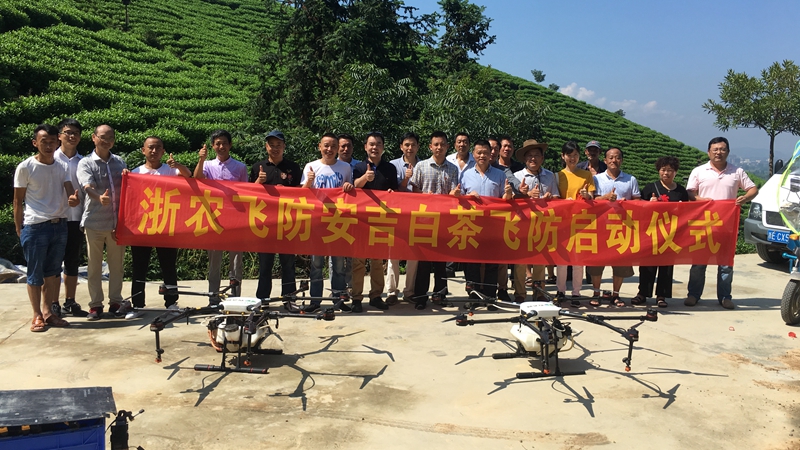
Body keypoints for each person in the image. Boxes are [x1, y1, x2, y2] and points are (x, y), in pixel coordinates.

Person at [14, 124, 80, 332]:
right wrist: (19, 228)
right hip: (36, 227)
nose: (49, 145)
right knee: (35, 274)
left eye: (52, 142)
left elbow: (69, 190)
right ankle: (36, 315)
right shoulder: (26, 167)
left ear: (57, 142)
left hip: (59, 225)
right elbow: (17, 201)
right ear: (35, 143)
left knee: (52, 273)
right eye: (44, 142)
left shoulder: (61, 167)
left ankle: (48, 312)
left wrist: (73, 199)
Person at [684, 137, 758, 309]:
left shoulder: (737, 171)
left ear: (728, 152)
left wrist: (745, 198)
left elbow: (753, 189)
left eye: (722, 149)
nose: (719, 153)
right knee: (698, 263)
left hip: (727, 225)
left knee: (725, 264)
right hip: (703, 225)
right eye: (715, 149)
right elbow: (690, 193)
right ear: (708, 152)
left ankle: (725, 297)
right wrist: (702, 200)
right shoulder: (699, 171)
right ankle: (693, 295)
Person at [124, 137, 191, 319]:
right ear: (143, 150)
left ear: (163, 151)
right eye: (150, 148)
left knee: (168, 266)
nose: (154, 151)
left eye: (158, 148)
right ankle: (138, 304)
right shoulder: (135, 172)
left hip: (166, 226)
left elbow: (188, 176)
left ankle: (171, 302)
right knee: (139, 267)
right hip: (142, 227)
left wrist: (177, 164)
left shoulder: (170, 170)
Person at [76, 125, 127, 321]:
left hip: (116, 224)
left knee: (117, 266)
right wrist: (98, 197)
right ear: (94, 138)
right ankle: (95, 305)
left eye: (111, 137)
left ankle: (116, 302)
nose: (107, 141)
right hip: (94, 223)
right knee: (94, 266)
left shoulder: (119, 162)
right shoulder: (86, 163)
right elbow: (87, 186)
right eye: (103, 137)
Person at [301, 133, 354, 312]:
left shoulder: (345, 167)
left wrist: (348, 187)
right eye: (326, 145)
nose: (329, 149)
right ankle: (315, 301)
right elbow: (301, 194)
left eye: (333, 146)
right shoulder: (311, 166)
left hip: (338, 222)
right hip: (317, 222)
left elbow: (350, 192)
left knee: (338, 265)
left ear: (338, 148)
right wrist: (308, 182)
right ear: (319, 146)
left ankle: (338, 299)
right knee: (316, 264)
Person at [409, 131, 461, 310]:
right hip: (425, 220)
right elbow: (414, 190)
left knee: (441, 263)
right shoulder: (421, 166)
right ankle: (421, 297)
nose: (439, 147)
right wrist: (425, 196)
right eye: (436, 144)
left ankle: (440, 295)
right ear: (430, 147)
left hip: (445, 221)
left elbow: (453, 193)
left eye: (442, 144)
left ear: (447, 147)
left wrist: (454, 194)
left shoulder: (453, 169)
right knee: (423, 262)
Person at [195, 129, 249, 298]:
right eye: (217, 143)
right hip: (214, 219)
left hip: (235, 220)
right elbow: (197, 178)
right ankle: (213, 297)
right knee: (214, 262)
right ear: (213, 146)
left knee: (236, 263)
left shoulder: (240, 167)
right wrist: (201, 159)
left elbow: (247, 192)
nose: (221, 146)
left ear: (230, 145)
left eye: (224, 143)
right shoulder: (208, 165)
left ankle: (235, 297)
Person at [251, 130, 302, 305]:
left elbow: (301, 193)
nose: (275, 148)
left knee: (288, 263)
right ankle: (263, 299)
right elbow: (248, 194)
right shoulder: (258, 167)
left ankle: (289, 299)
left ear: (284, 147)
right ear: (266, 147)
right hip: (265, 223)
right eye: (271, 145)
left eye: (278, 145)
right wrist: (258, 182)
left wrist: (286, 191)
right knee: (265, 264)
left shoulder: (293, 168)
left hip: (287, 222)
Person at [632, 156, 688, 308]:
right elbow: (638, 206)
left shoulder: (681, 191)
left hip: (671, 234)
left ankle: (661, 296)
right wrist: (649, 204)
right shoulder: (650, 188)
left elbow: (687, 212)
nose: (666, 173)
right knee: (647, 265)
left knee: (666, 266)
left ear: (675, 172)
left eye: (670, 170)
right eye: (663, 170)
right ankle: (642, 293)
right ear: (658, 171)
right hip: (651, 233)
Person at [460, 140, 513, 300]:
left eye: (485, 152)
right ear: (473, 154)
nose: (482, 155)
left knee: (492, 262)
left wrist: (508, 194)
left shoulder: (500, 174)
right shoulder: (465, 174)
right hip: (472, 224)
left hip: (493, 225)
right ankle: (474, 295)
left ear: (491, 154)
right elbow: (459, 199)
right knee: (472, 262)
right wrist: (467, 196)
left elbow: (505, 200)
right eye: (479, 152)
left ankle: (490, 296)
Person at [351, 132, 398, 312]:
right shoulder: (358, 167)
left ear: (383, 147)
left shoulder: (390, 168)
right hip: (361, 220)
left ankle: (376, 296)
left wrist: (392, 193)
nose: (374, 147)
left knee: (377, 261)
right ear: (365, 147)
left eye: (378, 144)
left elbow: (395, 192)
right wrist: (365, 178)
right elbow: (353, 188)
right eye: (371, 144)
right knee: (358, 262)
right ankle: (356, 298)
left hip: (381, 219)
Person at [589, 147, 641, 307]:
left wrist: (628, 203)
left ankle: (616, 294)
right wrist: (605, 197)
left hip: (622, 228)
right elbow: (590, 201)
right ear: (605, 160)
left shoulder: (630, 179)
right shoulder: (596, 179)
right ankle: (596, 293)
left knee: (620, 263)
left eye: (617, 157)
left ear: (622, 160)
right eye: (610, 158)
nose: (614, 160)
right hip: (600, 227)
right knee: (597, 263)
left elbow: (638, 201)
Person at [513, 139, 558, 303]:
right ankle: (520, 293)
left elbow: (557, 198)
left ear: (542, 158)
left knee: (540, 259)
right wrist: (525, 195)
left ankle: (539, 292)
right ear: (524, 158)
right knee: (520, 261)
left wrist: (550, 197)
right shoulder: (517, 176)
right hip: (523, 224)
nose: (533, 158)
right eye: (530, 155)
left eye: (537, 155)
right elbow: (511, 200)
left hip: (542, 224)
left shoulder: (550, 176)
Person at [53, 118, 86, 317]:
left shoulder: (84, 162)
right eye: (68, 132)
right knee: (53, 263)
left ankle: (70, 301)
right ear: (59, 136)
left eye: (76, 133)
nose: (72, 136)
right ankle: (53, 302)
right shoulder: (51, 159)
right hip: (56, 217)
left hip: (76, 218)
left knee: (72, 262)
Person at [556, 141, 595, 307]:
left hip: (581, 223)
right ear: (563, 156)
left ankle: (576, 293)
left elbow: (592, 197)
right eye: (569, 155)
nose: (572, 158)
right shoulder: (557, 176)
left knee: (578, 261)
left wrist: (586, 195)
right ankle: (560, 291)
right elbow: (555, 198)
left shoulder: (586, 175)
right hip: (562, 223)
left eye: (575, 155)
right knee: (562, 261)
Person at [386, 132, 421, 305]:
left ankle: (410, 291)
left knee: (413, 255)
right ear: (401, 147)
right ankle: (392, 292)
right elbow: (392, 190)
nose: (410, 148)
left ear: (418, 147)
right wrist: (406, 179)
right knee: (393, 254)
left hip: (417, 215)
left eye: (413, 144)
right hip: (397, 215)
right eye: (407, 144)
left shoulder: (423, 165)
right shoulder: (392, 165)